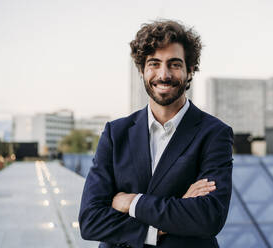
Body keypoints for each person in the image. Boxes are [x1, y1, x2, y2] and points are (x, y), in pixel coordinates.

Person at [79, 20, 234, 248]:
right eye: (154, 64)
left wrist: (131, 202)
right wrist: (166, 222)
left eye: (174, 64)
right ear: (142, 70)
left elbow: (208, 217)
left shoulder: (214, 134)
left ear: (190, 70)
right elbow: (91, 221)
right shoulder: (116, 133)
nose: (164, 74)